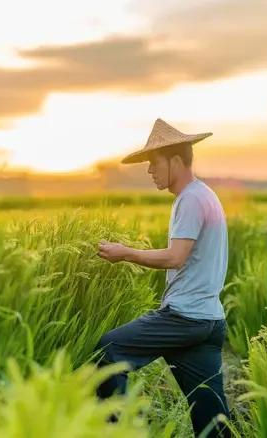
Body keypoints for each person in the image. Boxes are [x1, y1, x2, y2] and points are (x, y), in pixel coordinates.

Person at [95, 118, 231, 438]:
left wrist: (125, 253)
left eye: (154, 163)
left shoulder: (191, 199)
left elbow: (175, 256)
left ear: (175, 161)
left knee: (108, 351)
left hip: (184, 318)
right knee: (213, 421)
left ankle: (126, 432)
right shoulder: (204, 195)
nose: (149, 171)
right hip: (208, 321)